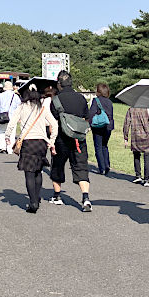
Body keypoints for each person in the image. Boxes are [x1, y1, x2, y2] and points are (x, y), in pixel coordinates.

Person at [5, 84, 58, 213]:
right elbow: (54, 124)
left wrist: (7, 135)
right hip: (41, 143)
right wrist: (51, 141)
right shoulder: (43, 108)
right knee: (38, 171)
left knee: (29, 173)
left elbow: (12, 122)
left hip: (28, 142)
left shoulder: (22, 107)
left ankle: (33, 201)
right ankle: (37, 197)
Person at [49, 70, 92, 212]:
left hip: (61, 138)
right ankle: (86, 198)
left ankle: (57, 196)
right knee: (81, 166)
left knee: (57, 166)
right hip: (79, 139)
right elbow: (86, 117)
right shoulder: (80, 98)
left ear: (59, 84)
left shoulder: (55, 100)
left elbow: (53, 122)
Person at [123, 107, 149, 186]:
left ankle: (138, 175)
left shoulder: (131, 109)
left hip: (135, 135)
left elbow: (127, 123)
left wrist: (125, 137)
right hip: (147, 135)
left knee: (136, 155)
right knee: (147, 157)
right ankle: (146, 179)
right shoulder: (148, 109)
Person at [88, 83, 115, 176]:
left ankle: (102, 167)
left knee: (98, 146)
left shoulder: (96, 101)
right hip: (109, 126)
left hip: (99, 126)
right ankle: (107, 164)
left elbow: (91, 113)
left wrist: (89, 124)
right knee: (104, 146)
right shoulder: (109, 102)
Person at [0, 81, 21, 154]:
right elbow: (19, 107)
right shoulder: (15, 96)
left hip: (2, 116)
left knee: (2, 131)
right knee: (12, 133)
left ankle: (2, 147)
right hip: (13, 117)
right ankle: (10, 148)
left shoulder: (1, 95)